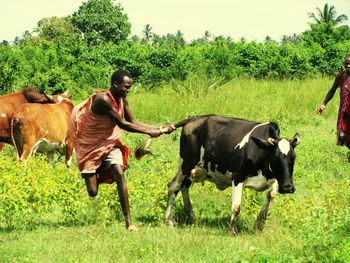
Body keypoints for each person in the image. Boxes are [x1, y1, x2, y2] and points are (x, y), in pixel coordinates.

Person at [69, 69, 175, 231]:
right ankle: (98, 172)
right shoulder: (103, 100)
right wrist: (149, 131)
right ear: (115, 84)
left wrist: (159, 128)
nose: (128, 90)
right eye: (125, 87)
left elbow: (134, 121)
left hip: (108, 142)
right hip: (89, 145)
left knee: (119, 172)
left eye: (129, 87)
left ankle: (129, 223)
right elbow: (123, 124)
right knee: (93, 192)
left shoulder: (122, 101)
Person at [317, 54, 350, 149]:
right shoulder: (340, 77)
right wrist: (324, 104)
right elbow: (332, 90)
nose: (348, 66)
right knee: (343, 134)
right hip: (344, 112)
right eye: (346, 64)